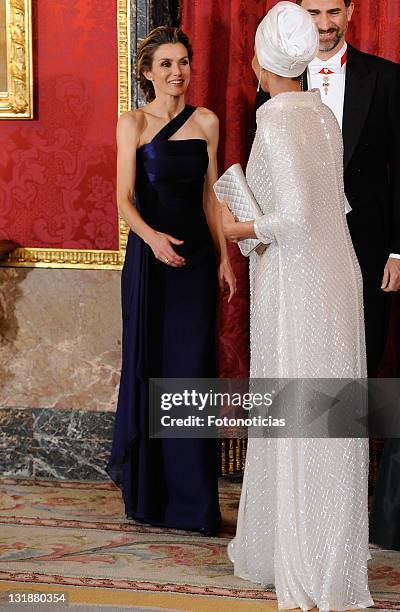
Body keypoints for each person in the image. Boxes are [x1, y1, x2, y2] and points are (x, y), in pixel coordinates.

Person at [221, 2, 373, 609]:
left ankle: (307, 560)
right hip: (338, 274)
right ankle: (313, 551)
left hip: (298, 286)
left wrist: (235, 228)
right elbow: (331, 208)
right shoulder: (321, 116)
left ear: (261, 59)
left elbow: (292, 219)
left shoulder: (276, 122)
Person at [255, 0, 400, 555]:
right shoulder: (274, 90)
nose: (323, 21)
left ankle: (349, 511)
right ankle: (307, 503)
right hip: (297, 257)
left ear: (351, 12)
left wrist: (396, 250)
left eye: (333, 9)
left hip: (365, 252)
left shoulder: (384, 78)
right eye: (312, 9)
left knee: (353, 375)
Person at [106, 26, 235, 534]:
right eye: (166, 64)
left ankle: (194, 504)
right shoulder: (132, 123)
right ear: (146, 71)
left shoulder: (206, 120)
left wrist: (224, 257)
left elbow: (211, 196)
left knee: (190, 374)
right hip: (150, 263)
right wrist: (153, 239)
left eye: (183, 62)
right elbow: (122, 199)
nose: (177, 72)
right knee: (152, 369)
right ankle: (151, 496)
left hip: (197, 264)